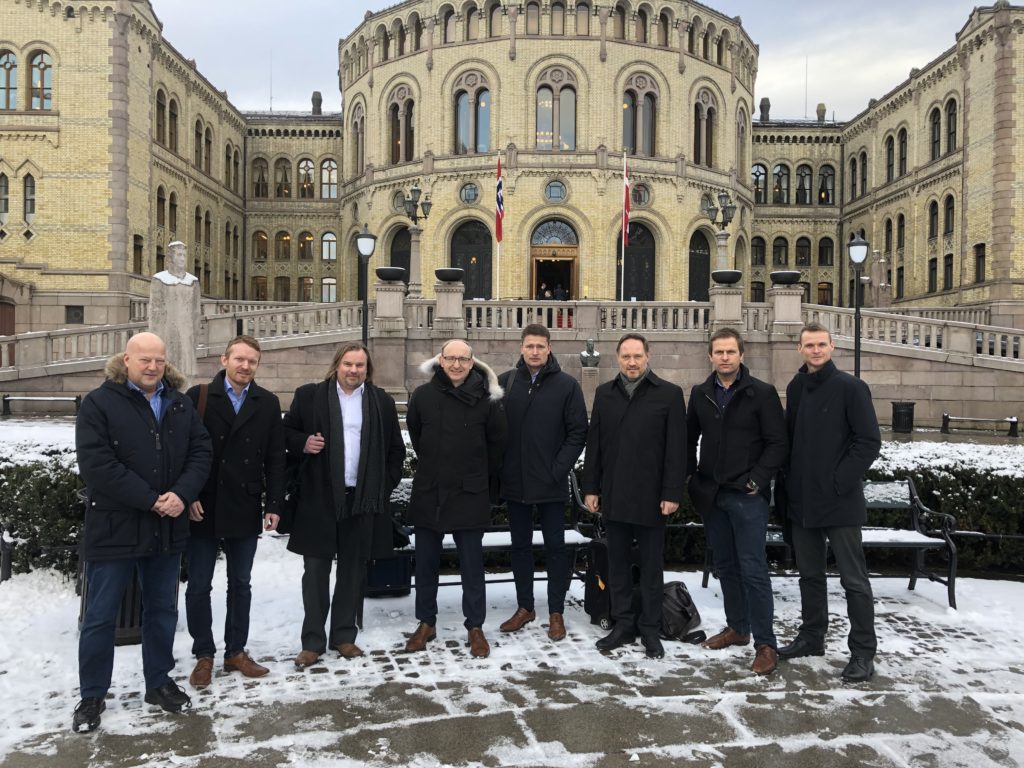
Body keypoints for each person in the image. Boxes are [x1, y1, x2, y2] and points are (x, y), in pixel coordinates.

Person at [73, 332, 211, 733]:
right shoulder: (99, 403)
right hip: (115, 527)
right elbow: (97, 465)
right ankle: (92, 695)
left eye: (159, 360)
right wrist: (152, 499)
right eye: (145, 359)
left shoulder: (180, 404)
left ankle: (159, 682)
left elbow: (201, 452)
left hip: (165, 528)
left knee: (162, 611)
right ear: (127, 359)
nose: (153, 367)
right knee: (100, 617)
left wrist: (182, 494)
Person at [282, 342, 405, 667]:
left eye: (360, 365)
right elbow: (285, 433)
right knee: (315, 573)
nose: (354, 370)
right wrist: (303, 442)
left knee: (353, 571)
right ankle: (312, 642)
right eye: (348, 364)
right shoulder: (309, 396)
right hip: (318, 498)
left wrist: (382, 486)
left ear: (367, 369)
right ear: (337, 365)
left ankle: (343, 636)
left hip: (361, 500)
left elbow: (396, 450)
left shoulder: (380, 401)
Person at [777, 322, 882, 682]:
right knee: (809, 576)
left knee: (854, 580)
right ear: (800, 349)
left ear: (832, 346)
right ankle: (812, 637)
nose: (816, 350)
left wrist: (839, 481)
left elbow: (868, 441)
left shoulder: (851, 387)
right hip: (802, 501)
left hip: (839, 501)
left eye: (821, 344)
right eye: (809, 345)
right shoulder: (796, 387)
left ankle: (863, 652)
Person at [183, 335, 286, 689]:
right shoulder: (198, 396)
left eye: (252, 361)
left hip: (244, 502)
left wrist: (274, 504)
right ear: (224, 360)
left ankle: (236, 651)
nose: (245, 366)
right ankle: (204, 654)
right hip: (203, 504)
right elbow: (182, 450)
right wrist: (188, 494)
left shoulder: (267, 402)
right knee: (199, 585)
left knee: (240, 584)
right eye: (239, 359)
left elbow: (276, 457)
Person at [686, 328, 787, 676]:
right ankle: (738, 628)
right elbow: (688, 439)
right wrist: (692, 478)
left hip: (747, 497)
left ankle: (766, 644)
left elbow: (777, 443)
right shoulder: (701, 393)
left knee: (753, 569)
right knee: (726, 566)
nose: (725, 357)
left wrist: (757, 479)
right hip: (713, 495)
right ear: (710, 356)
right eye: (719, 352)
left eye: (731, 351)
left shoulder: (762, 393)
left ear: (741, 355)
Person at [582, 333, 686, 659]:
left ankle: (650, 629)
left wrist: (672, 492)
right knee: (617, 566)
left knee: (652, 568)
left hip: (652, 498)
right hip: (615, 495)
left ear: (648, 356)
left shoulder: (669, 394)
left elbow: (676, 450)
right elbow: (595, 445)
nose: (631, 362)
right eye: (626, 356)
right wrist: (591, 488)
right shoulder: (605, 393)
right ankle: (624, 624)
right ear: (617, 358)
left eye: (637, 356)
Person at [405, 339, 507, 658]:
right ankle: (426, 622)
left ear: (472, 363)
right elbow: (417, 436)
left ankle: (475, 626)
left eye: (463, 359)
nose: (456, 364)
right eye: (451, 358)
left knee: (472, 566)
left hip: (470, 492)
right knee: (426, 563)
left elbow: (497, 445)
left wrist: (477, 476)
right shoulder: (422, 396)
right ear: (441, 360)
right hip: (430, 490)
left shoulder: (487, 399)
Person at [497, 324, 588, 641]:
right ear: (521, 348)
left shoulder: (567, 385)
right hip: (516, 483)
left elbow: (578, 432)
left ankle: (555, 612)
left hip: (551, 484)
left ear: (549, 348)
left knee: (556, 549)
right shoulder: (506, 382)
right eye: (529, 346)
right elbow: (492, 428)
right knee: (520, 547)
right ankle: (525, 607)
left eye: (540, 346)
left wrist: (557, 470)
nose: (534, 351)